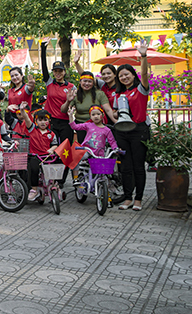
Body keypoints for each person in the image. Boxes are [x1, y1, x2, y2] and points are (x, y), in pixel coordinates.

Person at [114, 42, 151, 211]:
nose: (124, 78)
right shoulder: (119, 94)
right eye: (121, 76)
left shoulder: (141, 89)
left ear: (133, 75)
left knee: (138, 166)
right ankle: (128, 198)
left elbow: (145, 74)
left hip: (139, 130)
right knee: (125, 166)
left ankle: (138, 199)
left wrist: (143, 56)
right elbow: (116, 113)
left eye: (126, 74)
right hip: (122, 132)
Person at [60, 72, 115, 142]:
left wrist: (115, 121)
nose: (87, 83)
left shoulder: (99, 94)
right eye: (85, 81)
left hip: (96, 124)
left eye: (89, 81)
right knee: (83, 146)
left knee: (96, 145)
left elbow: (108, 110)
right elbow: (63, 110)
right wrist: (68, 101)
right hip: (81, 125)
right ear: (80, 82)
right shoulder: (75, 94)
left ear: (93, 83)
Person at [40, 40, 75, 150]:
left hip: (65, 120)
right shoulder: (49, 82)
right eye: (55, 71)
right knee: (51, 147)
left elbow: (75, 103)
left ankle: (64, 163)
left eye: (60, 71)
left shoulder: (71, 87)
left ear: (64, 72)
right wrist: (43, 48)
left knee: (65, 147)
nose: (58, 73)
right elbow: (44, 67)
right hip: (51, 120)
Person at [20, 108, 59, 200]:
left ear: (49, 121)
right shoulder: (32, 129)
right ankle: (34, 190)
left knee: (53, 168)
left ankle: (53, 185)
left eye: (45, 120)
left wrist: (51, 150)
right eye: (40, 120)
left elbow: (55, 145)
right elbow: (26, 118)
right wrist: (22, 110)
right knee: (34, 169)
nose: (42, 122)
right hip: (35, 156)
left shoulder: (51, 134)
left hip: (46, 156)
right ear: (36, 121)